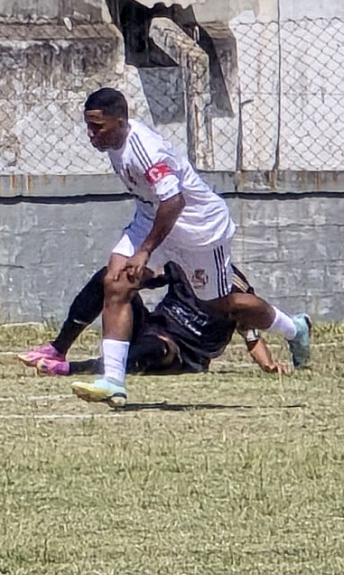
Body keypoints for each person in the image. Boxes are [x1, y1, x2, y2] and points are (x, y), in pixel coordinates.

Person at [69, 87, 311, 406]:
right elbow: (157, 204)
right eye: (88, 126)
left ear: (119, 119)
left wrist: (144, 251)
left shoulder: (146, 150)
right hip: (152, 218)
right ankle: (113, 380)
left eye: (97, 126)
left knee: (219, 304)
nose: (90, 134)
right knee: (116, 282)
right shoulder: (114, 142)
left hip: (197, 228)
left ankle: (294, 328)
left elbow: (174, 201)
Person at [20, 261, 289, 377]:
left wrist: (268, 365)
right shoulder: (180, 263)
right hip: (153, 326)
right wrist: (132, 276)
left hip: (184, 353)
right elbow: (148, 279)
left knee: (156, 347)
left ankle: (76, 369)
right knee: (110, 278)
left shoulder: (236, 290)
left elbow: (251, 335)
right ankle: (58, 349)